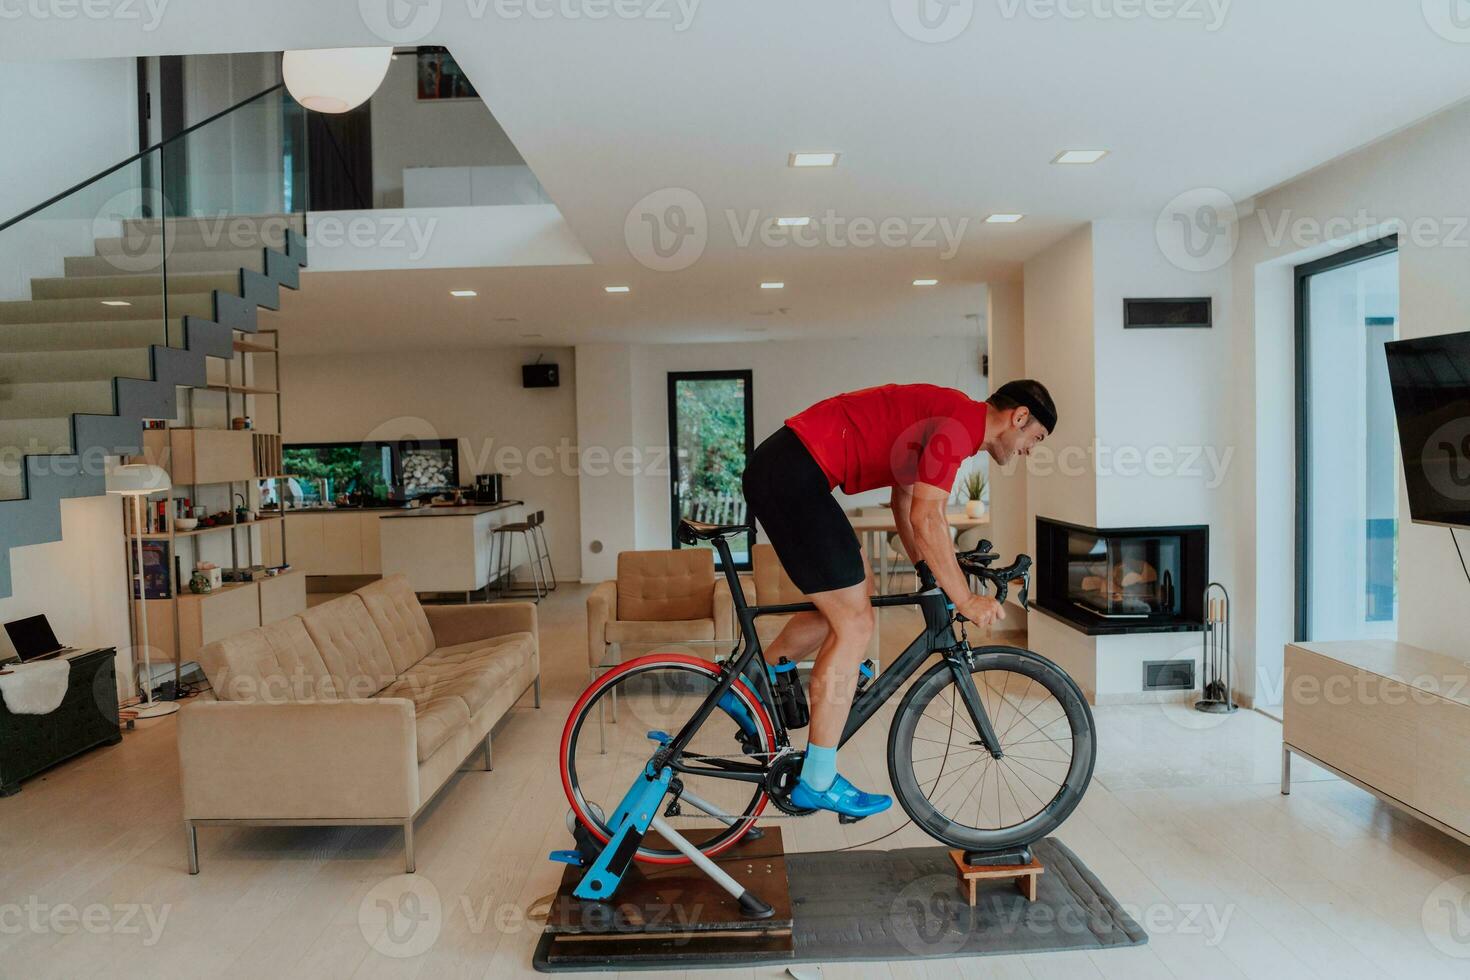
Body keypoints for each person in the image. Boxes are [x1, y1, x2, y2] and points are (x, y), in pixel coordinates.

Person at [739, 379, 1056, 818]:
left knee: (852, 596)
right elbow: (928, 517)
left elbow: (907, 504)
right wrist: (964, 599)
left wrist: (929, 571)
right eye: (1034, 439)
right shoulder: (960, 425)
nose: (1028, 450)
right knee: (856, 624)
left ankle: (752, 685)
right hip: (793, 475)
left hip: (789, 470)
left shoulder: (952, 419)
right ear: (1019, 417)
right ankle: (817, 780)